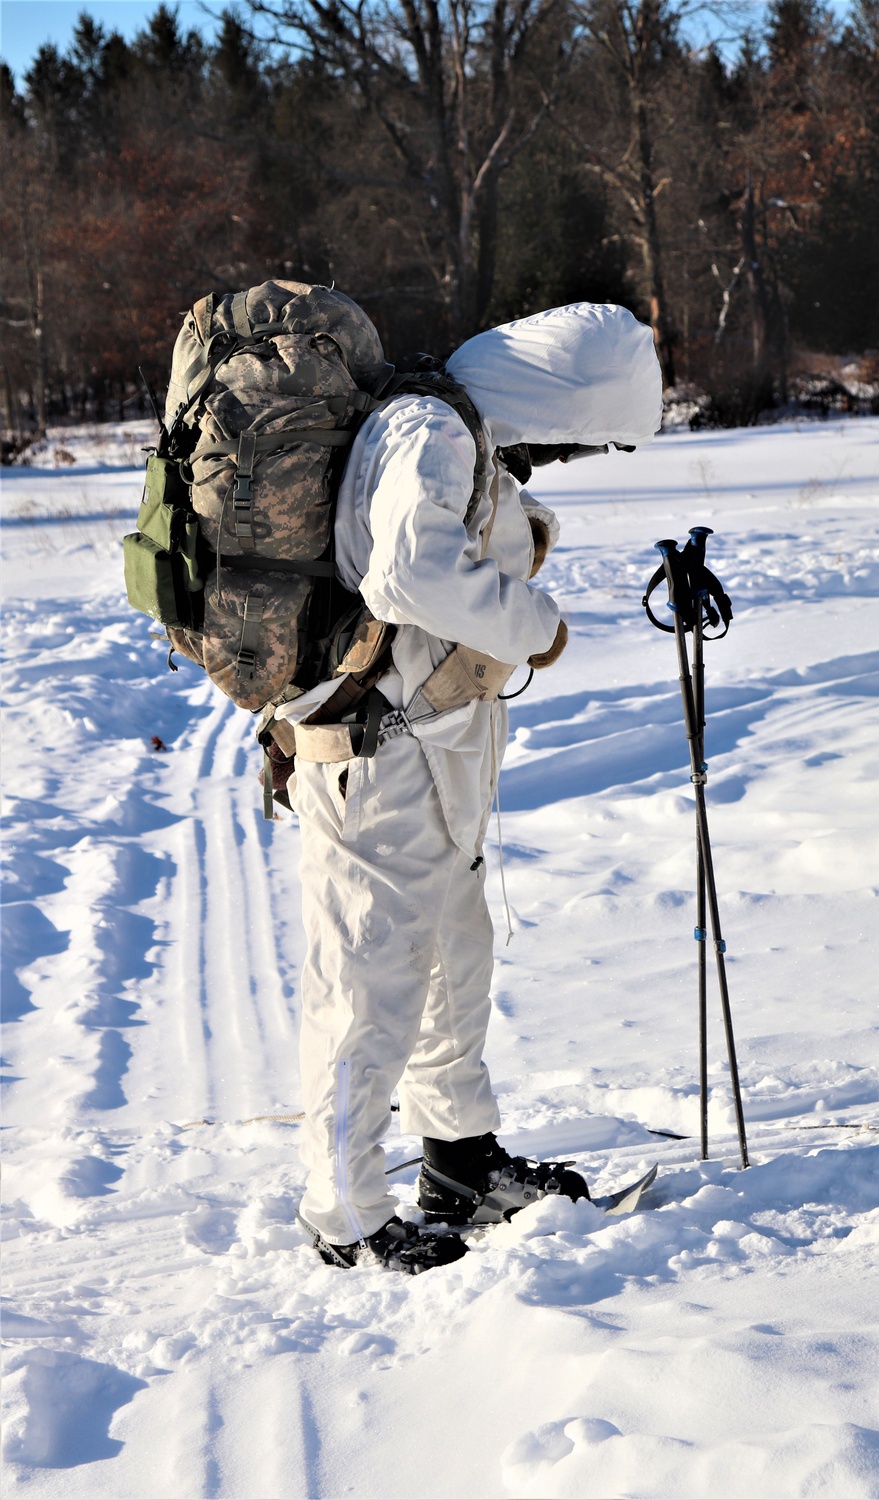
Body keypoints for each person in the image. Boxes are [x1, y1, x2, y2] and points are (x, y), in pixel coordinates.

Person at [279, 302, 663, 1272]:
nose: (567, 454)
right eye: (577, 436)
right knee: (370, 984)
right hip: (381, 758)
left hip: (429, 747)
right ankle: (344, 1215)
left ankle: (459, 1163)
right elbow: (407, 571)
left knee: (453, 960)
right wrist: (530, 624)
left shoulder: (459, 428)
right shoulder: (432, 430)